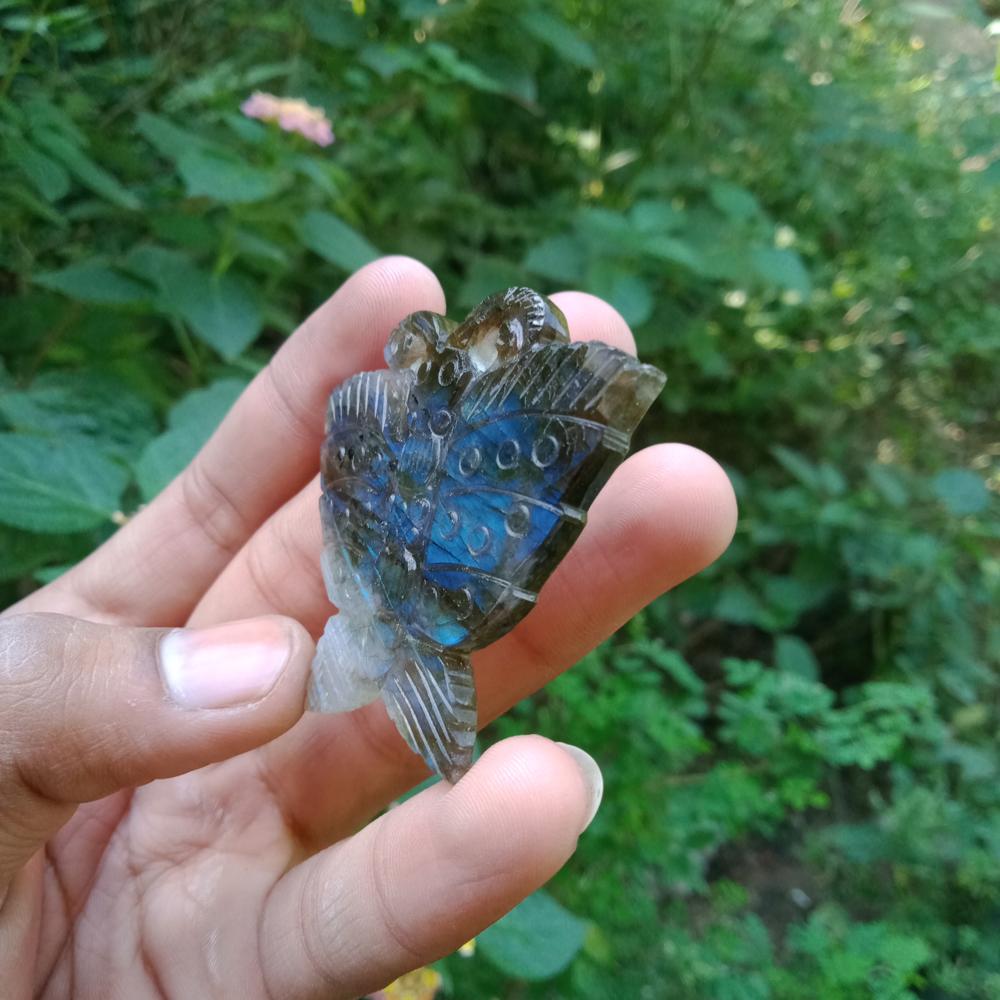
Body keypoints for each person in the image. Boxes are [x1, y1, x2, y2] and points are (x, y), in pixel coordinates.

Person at [0, 258, 736, 998]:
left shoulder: (402, 465)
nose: (443, 368)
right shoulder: (373, 425)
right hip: (404, 584)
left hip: (425, 585)